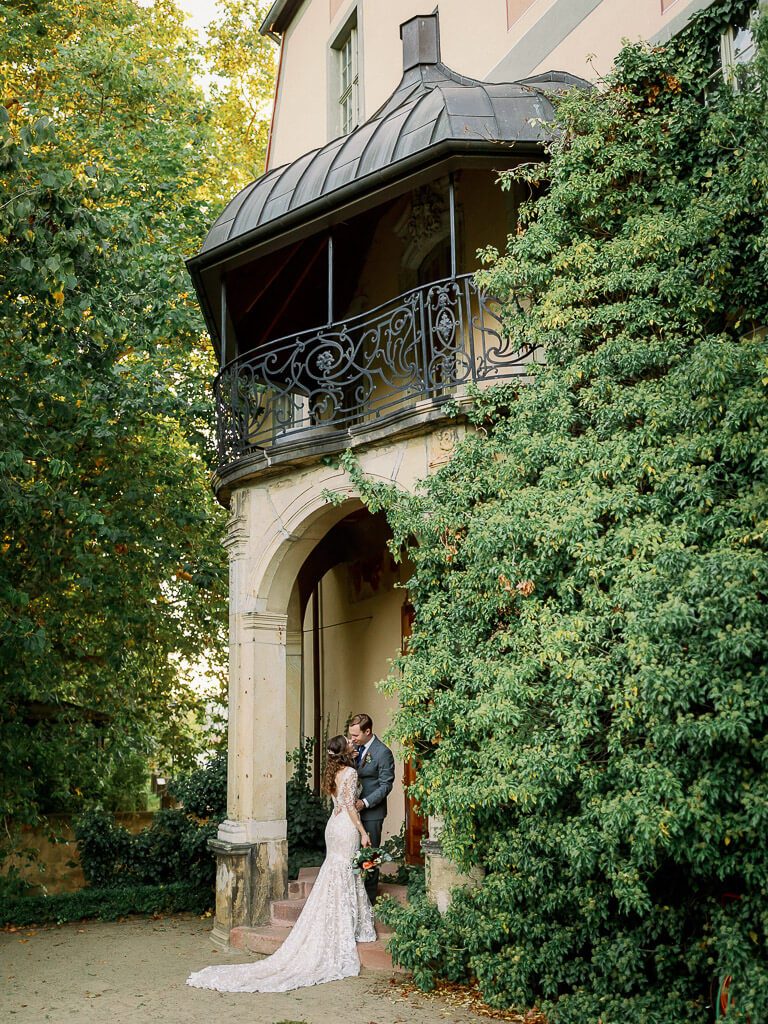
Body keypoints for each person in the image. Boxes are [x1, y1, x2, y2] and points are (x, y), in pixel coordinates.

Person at [186, 735, 376, 993]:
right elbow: (350, 808)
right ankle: (344, 928)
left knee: (336, 871)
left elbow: (337, 805)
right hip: (346, 827)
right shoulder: (351, 773)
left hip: (333, 827)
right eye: (350, 743)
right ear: (345, 751)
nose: (354, 745)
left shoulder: (333, 773)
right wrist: (364, 832)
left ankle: (341, 924)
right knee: (344, 872)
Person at [347, 713, 395, 905]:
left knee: (370, 856)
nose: (352, 739)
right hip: (351, 814)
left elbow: (386, 785)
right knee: (353, 853)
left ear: (368, 731)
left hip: (372, 812)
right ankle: (355, 897)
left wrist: (364, 802)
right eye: (351, 735)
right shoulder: (354, 749)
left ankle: (369, 900)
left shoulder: (383, 752)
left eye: (356, 736)